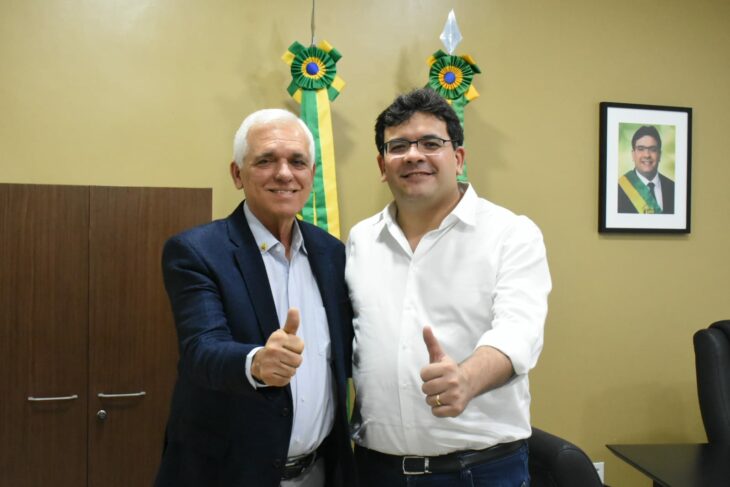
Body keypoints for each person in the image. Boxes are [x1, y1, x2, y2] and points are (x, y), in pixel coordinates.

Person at [345, 88, 551, 486]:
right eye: (398, 146)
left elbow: (519, 332)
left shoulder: (510, 233)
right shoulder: (361, 240)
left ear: (458, 158)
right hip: (375, 471)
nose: (413, 155)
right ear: (382, 165)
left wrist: (467, 379)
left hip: (478, 472)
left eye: (430, 143)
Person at [154, 109, 355, 487]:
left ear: (311, 175)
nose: (284, 173)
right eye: (266, 161)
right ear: (237, 174)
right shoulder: (197, 251)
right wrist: (256, 363)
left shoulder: (332, 253)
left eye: (297, 162)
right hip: (228, 476)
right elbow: (201, 349)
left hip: (320, 471)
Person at [617, 125, 675, 214]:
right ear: (633, 154)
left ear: (659, 155)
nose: (647, 155)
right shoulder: (619, 189)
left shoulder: (673, 188)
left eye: (653, 149)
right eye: (641, 149)